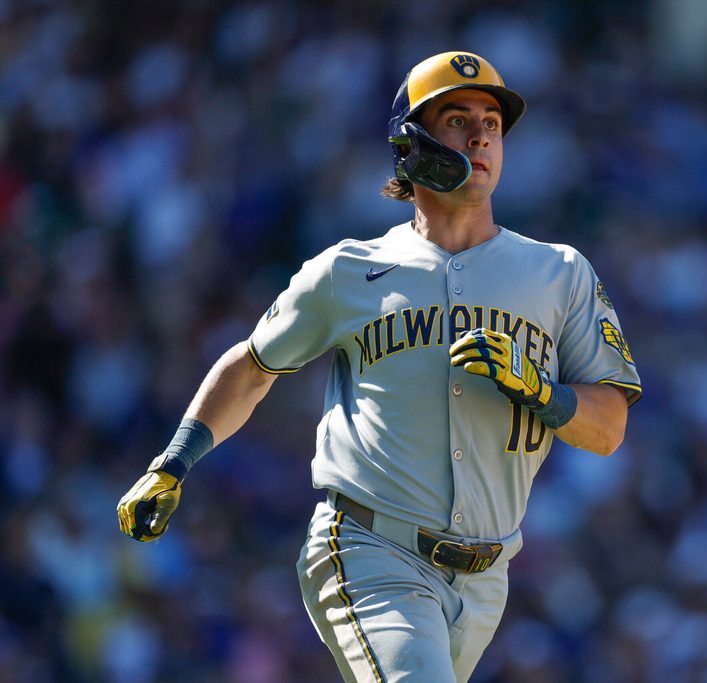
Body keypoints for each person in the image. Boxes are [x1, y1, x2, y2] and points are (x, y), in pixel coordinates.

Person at [116, 51, 642, 682]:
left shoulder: (559, 273)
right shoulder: (348, 271)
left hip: (486, 576)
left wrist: (542, 391)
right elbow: (252, 367)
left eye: (492, 123)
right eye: (455, 119)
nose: (480, 135)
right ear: (411, 141)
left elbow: (608, 429)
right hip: (370, 546)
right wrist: (172, 462)